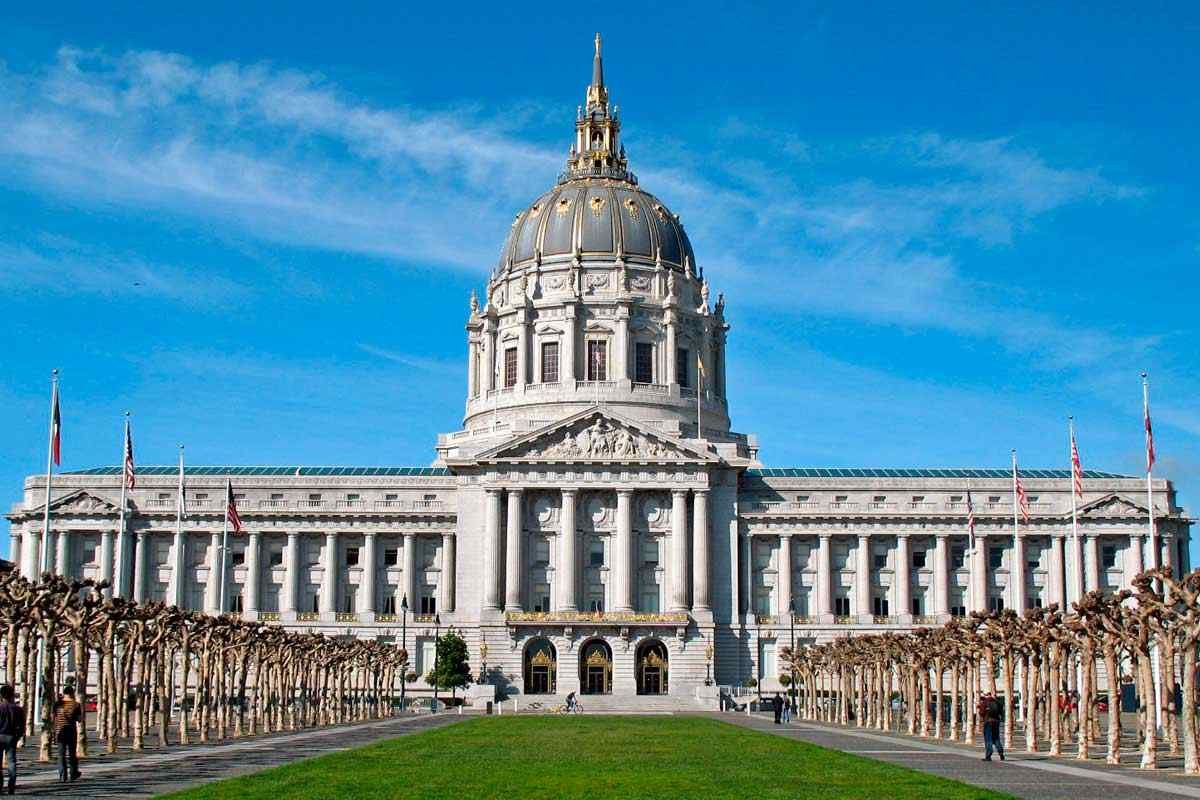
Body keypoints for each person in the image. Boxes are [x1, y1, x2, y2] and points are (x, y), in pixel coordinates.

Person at [52, 687, 81, 783]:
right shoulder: (76, 705)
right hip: (71, 731)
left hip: (60, 731)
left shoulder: (57, 704)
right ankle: (73, 774)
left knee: (61, 754)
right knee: (72, 753)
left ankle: (62, 776)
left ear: (64, 693)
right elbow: (79, 719)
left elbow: (54, 718)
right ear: (72, 693)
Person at [0, 685, 25, 796]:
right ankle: (11, 786)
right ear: (12, 694)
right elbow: (22, 725)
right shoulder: (18, 709)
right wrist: (18, 736)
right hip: (11, 737)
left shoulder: (0, 707)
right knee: (12, 761)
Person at [981, 693, 1005, 762]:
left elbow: (982, 713)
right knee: (996, 738)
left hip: (988, 721)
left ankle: (988, 755)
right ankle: (1001, 753)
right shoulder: (997, 702)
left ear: (985, 695)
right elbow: (1001, 712)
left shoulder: (985, 702)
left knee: (988, 739)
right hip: (996, 721)